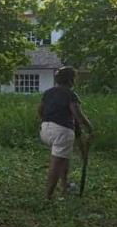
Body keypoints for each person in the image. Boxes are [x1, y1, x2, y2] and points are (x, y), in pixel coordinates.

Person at [38, 66, 93, 200]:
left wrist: (48, 120)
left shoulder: (48, 92)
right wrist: (90, 127)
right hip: (62, 131)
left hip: (45, 130)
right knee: (56, 164)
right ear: (70, 80)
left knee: (63, 158)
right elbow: (77, 115)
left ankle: (64, 189)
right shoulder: (70, 94)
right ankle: (48, 197)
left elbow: (40, 110)